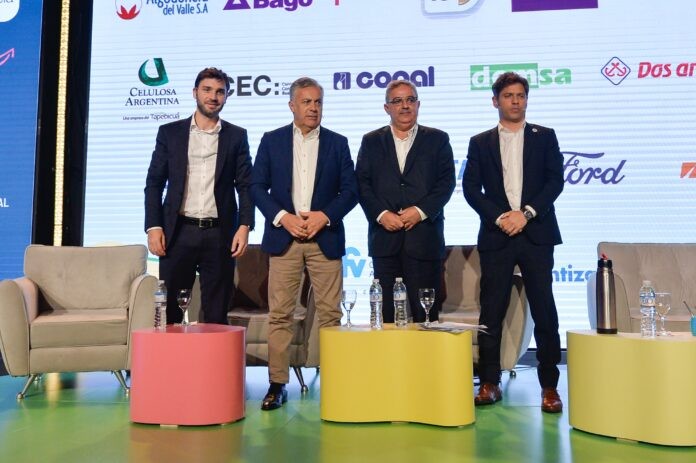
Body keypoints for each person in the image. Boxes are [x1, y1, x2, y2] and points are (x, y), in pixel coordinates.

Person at [251, 77, 358, 411]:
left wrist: (324, 216)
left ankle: (337, 382)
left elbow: (351, 191)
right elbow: (257, 187)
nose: (314, 108)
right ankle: (277, 384)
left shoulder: (338, 143)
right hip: (284, 238)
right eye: (307, 102)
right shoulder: (272, 141)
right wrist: (284, 217)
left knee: (330, 315)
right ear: (292, 105)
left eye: (318, 102)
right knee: (280, 315)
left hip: (324, 238)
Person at [463, 72, 564, 413]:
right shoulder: (480, 142)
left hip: (536, 234)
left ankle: (549, 386)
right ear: (496, 101)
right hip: (498, 235)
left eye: (521, 95)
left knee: (545, 311)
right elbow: (471, 189)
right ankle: (489, 382)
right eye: (508, 95)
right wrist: (501, 217)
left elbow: (555, 181)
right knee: (491, 311)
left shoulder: (545, 136)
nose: (515, 100)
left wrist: (527, 214)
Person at [144, 67, 254, 325]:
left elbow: (246, 185)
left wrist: (245, 226)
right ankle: (170, 354)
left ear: (226, 96)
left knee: (216, 313)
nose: (213, 97)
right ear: (195, 92)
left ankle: (213, 354)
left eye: (220, 92)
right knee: (171, 312)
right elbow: (154, 183)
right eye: (207, 90)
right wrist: (154, 226)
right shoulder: (170, 133)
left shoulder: (237, 136)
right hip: (177, 232)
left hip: (220, 234)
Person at [355, 79, 455, 323]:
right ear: (387, 107)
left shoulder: (437, 139)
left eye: (410, 100)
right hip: (385, 241)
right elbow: (362, 184)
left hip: (424, 240)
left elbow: (446, 183)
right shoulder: (371, 141)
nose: (405, 106)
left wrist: (420, 211)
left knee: (426, 317)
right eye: (398, 101)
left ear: (418, 104)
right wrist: (381, 215)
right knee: (387, 317)